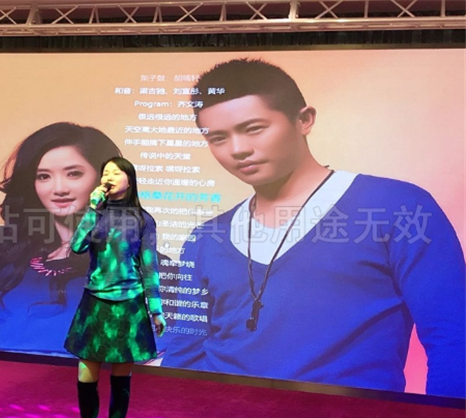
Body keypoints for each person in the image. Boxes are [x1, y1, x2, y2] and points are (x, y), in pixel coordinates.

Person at [162, 58, 466, 398]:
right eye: (218, 138)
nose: (238, 149)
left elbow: (453, 337)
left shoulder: (399, 208)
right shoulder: (206, 238)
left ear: (304, 120)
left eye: (254, 128)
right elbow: (184, 352)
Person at [0, 122, 122, 355]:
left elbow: (152, 356)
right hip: (3, 377)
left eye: (73, 174)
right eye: (43, 176)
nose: (59, 188)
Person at [65, 156, 167, 418]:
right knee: (86, 375)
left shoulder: (143, 220)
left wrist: (156, 310)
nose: (108, 177)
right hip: (95, 302)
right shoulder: (96, 213)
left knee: (121, 379)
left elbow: (149, 266)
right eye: (105, 172)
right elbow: (76, 246)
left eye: (115, 172)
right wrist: (92, 209)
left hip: (129, 305)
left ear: (129, 180)